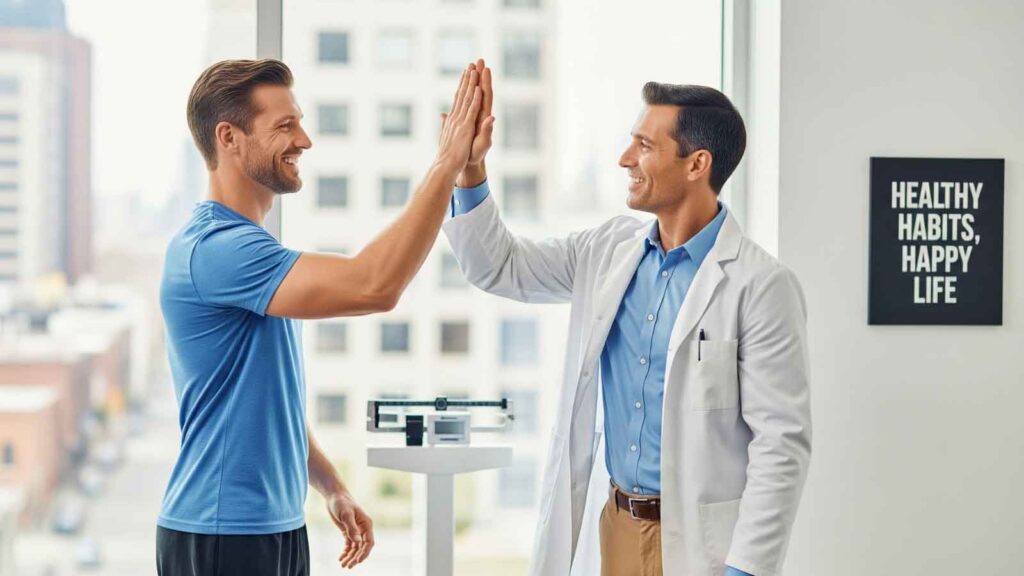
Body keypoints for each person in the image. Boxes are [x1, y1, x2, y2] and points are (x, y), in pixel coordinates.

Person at [444, 67, 811, 576]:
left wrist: (745, 569)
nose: (625, 159)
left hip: (702, 547)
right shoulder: (606, 251)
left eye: (643, 146)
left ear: (696, 164)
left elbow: (782, 444)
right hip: (615, 527)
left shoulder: (761, 285)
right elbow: (498, 266)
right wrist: (469, 170)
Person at [157, 58, 492, 575]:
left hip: (275, 526)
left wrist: (331, 486)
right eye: (285, 126)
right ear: (229, 137)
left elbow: (267, 400)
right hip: (221, 533)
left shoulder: (250, 250)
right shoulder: (215, 250)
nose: (305, 141)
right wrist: (447, 163)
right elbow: (374, 285)